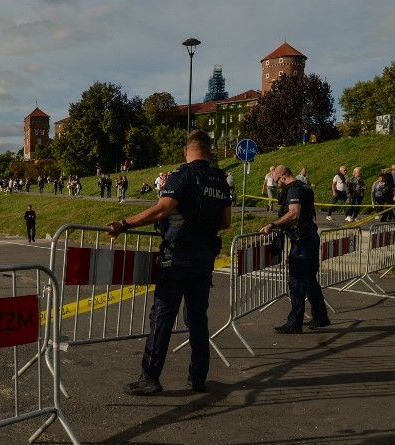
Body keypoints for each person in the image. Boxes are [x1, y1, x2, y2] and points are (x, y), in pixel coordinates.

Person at [106, 129, 231, 395]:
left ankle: (149, 377)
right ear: (208, 151)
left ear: (187, 150)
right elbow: (226, 222)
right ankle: (198, 378)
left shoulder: (183, 175)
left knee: (162, 315)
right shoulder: (220, 180)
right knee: (197, 318)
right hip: (205, 256)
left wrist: (124, 224)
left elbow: (162, 209)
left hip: (178, 256)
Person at [261, 165, 331, 334]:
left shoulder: (294, 190)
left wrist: (273, 224)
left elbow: (294, 213)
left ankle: (294, 323)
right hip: (310, 238)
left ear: (284, 177)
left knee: (297, 281)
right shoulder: (305, 187)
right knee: (310, 280)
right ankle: (320, 318)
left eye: (277, 181)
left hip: (303, 241)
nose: (278, 184)